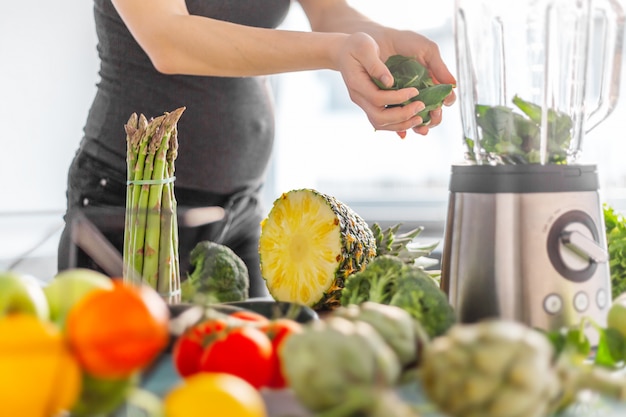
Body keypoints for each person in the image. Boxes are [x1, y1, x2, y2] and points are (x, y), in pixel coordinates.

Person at [57, 0, 457, 298]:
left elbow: (329, 11)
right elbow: (168, 41)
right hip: (132, 208)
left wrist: (379, 43)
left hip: (242, 209)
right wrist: (335, 51)